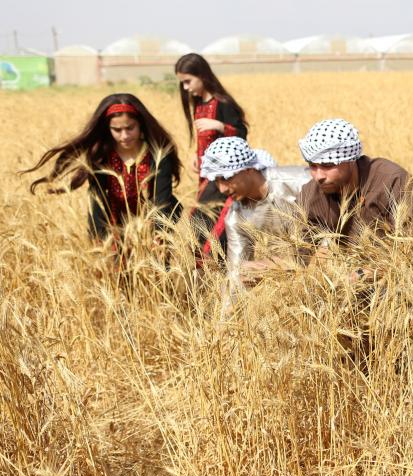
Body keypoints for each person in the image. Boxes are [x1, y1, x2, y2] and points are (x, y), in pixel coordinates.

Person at [24, 93, 182, 244]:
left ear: (140, 124)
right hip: (113, 223)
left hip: (155, 224)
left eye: (130, 128)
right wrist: (100, 239)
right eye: (117, 130)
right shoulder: (100, 156)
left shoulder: (158, 155)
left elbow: (162, 199)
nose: (124, 136)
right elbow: (97, 198)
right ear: (108, 129)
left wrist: (159, 236)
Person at [296, 118, 413, 262]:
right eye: (312, 166)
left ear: (350, 160)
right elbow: (299, 252)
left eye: (328, 165)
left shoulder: (390, 180)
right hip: (356, 276)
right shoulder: (311, 194)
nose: (319, 176)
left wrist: (370, 272)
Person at [199, 137, 309, 295]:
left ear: (249, 169)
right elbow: (236, 274)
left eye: (227, 178)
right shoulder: (235, 218)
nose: (222, 189)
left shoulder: (300, 182)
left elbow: (334, 234)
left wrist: (269, 266)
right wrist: (226, 317)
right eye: (216, 181)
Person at [175, 53, 249, 262]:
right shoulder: (198, 105)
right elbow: (203, 139)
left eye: (188, 81)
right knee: (203, 220)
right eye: (182, 83)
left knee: (209, 222)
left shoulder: (223, 103)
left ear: (202, 75)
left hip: (222, 177)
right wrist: (195, 155)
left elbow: (242, 134)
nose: (186, 88)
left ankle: (216, 265)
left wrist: (220, 126)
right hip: (205, 174)